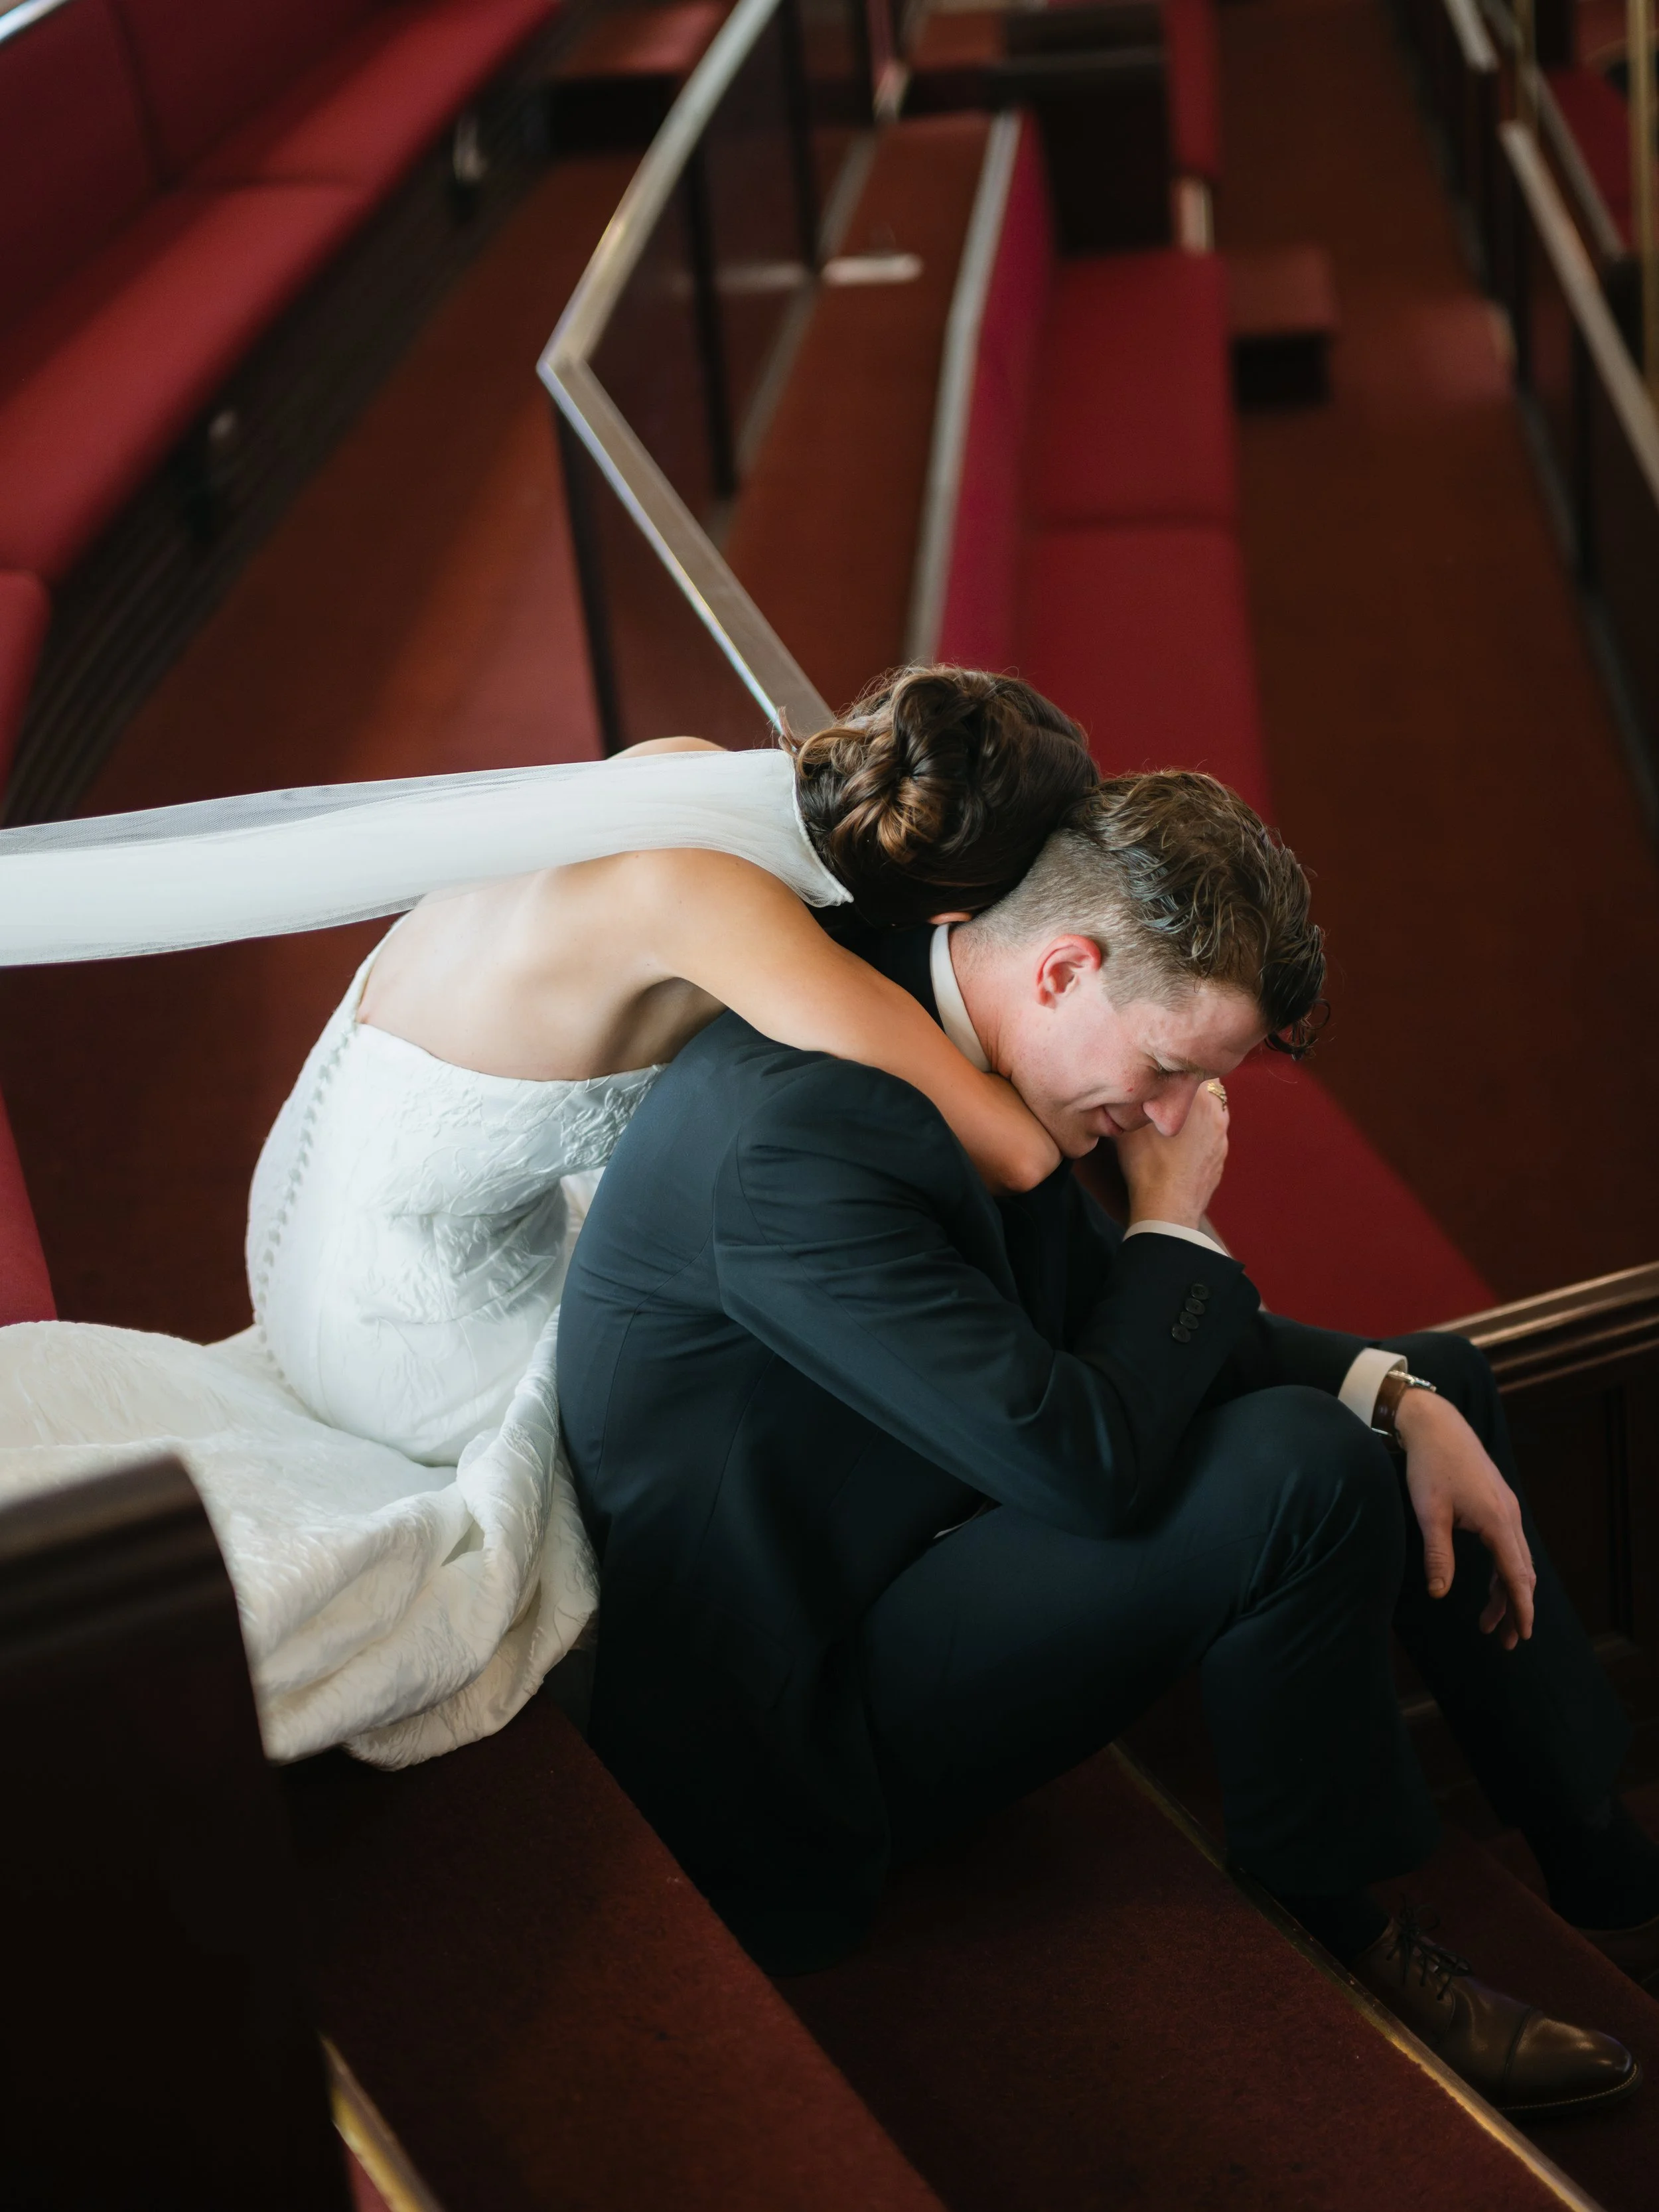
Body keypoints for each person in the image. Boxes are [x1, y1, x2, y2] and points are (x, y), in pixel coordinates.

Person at [556, 759, 1659, 2120]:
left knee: (1428, 1386)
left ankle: (1604, 1864)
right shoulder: (795, 1140)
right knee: (1297, 1473)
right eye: (1166, 1070)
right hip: (796, 1704)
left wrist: (1400, 1394)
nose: (1167, 1118)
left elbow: (1097, 1315)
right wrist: (1173, 1221)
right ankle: (1345, 1931)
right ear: (1065, 966)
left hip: (925, 1511)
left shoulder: (954, 1014)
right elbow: (1076, 1453)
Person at [0, 668, 1092, 1766]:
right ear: (959, 907)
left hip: (311, 1190)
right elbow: (1014, 1150)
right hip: (400, 1332)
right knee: (714, 1378)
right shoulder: (716, 905)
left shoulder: (685, 770)